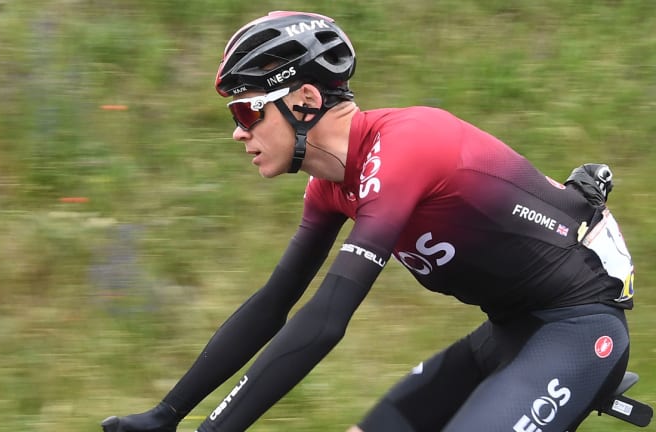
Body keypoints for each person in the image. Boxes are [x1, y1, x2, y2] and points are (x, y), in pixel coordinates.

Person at [101, 10, 635, 432]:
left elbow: (327, 318)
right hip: (505, 334)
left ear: (305, 100)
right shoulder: (331, 188)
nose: (239, 132)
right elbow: (274, 304)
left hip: (578, 332)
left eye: (247, 111)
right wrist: (168, 413)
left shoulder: (407, 146)